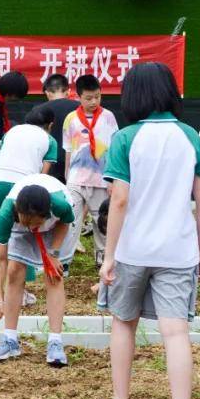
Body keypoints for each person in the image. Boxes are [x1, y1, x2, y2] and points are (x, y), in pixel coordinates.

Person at [92, 62, 200, 399]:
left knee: (123, 325)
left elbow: (120, 199)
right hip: (177, 251)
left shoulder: (125, 138)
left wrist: (108, 257)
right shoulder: (190, 136)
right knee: (176, 334)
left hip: (132, 250)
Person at [0, 174, 79, 367]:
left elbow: (65, 222)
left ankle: (55, 342)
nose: (30, 227)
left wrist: (52, 253)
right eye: (26, 221)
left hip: (57, 226)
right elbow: (0, 259)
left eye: (34, 223)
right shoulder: (7, 214)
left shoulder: (60, 205)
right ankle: (10, 340)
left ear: (45, 215)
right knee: (14, 270)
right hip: (22, 219)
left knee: (54, 276)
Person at [0, 105, 57, 302]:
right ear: (50, 125)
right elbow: (42, 176)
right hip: (23, 185)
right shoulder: (50, 140)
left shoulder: (12, 131)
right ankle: (19, 292)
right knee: (26, 234)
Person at [63, 74, 120, 269]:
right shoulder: (71, 119)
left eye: (97, 96)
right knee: (71, 221)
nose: (94, 101)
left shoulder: (108, 117)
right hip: (76, 179)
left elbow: (114, 150)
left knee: (101, 222)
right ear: (78, 97)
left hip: (101, 179)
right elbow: (68, 150)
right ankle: (64, 263)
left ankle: (102, 262)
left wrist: (112, 180)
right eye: (88, 98)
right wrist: (67, 177)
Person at [43, 73, 80, 184]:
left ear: (47, 93)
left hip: (49, 166)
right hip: (76, 165)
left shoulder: (38, 110)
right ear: (68, 92)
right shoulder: (80, 108)